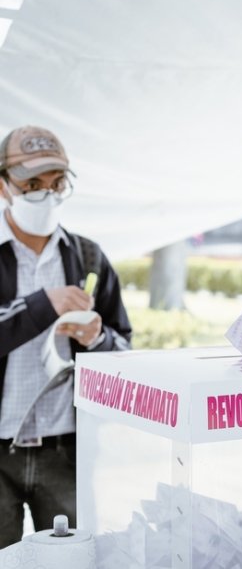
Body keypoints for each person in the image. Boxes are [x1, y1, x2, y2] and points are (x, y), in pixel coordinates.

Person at [0, 125, 132, 545]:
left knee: (69, 559)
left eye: (57, 183)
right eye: (32, 184)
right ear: (4, 186)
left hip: (66, 451)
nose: (47, 195)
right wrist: (44, 304)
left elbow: (125, 349)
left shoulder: (89, 258)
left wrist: (97, 340)